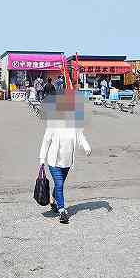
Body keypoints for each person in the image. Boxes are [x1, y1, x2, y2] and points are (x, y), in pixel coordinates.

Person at [38, 93, 91, 224]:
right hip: (54, 161)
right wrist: (42, 159)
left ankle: (54, 200)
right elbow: (46, 141)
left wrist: (86, 146)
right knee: (60, 184)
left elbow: (80, 137)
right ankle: (62, 211)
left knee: (59, 185)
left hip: (67, 162)